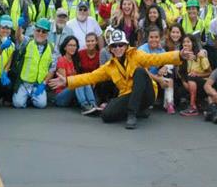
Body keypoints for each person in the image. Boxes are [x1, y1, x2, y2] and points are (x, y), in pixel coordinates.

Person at [48, 29, 194, 129]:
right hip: (128, 95)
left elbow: (156, 58)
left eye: (121, 45)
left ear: (125, 46)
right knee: (106, 116)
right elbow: (90, 76)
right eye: (114, 46)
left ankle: (132, 114)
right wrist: (67, 81)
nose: (118, 48)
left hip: (147, 94)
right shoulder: (109, 66)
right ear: (110, 49)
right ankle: (138, 110)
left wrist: (179, 55)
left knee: (140, 72)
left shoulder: (136, 55)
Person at [12, 18, 56, 109]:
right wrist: (19, 26)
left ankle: (31, 97)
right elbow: (18, 37)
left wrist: (44, 84)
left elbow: (52, 69)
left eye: (43, 31)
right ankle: (26, 97)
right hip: (24, 83)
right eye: (38, 30)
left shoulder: (52, 48)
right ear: (34, 30)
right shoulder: (27, 41)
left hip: (38, 85)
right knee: (18, 104)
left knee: (41, 104)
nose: (40, 33)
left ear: (47, 34)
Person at [54, 35, 99, 114]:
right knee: (78, 82)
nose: (72, 47)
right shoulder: (61, 60)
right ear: (65, 47)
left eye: (74, 45)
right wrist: (76, 80)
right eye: (70, 45)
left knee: (84, 79)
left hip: (72, 96)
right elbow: (64, 83)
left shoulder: (75, 60)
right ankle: (84, 105)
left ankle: (93, 104)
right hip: (61, 96)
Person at [138, 26, 176, 114]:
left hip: (155, 79)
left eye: (156, 37)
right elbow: (142, 71)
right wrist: (159, 79)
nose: (154, 40)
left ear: (160, 38)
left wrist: (165, 67)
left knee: (169, 73)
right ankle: (145, 103)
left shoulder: (160, 50)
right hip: (144, 79)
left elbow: (170, 61)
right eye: (151, 37)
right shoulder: (142, 50)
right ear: (147, 38)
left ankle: (169, 103)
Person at [178, 35, 211, 116]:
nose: (185, 44)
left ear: (193, 43)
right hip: (189, 83)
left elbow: (210, 72)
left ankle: (193, 107)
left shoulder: (200, 55)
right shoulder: (182, 56)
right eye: (184, 42)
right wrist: (184, 82)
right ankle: (198, 102)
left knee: (191, 76)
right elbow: (180, 73)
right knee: (180, 88)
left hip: (203, 83)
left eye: (188, 42)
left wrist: (197, 74)